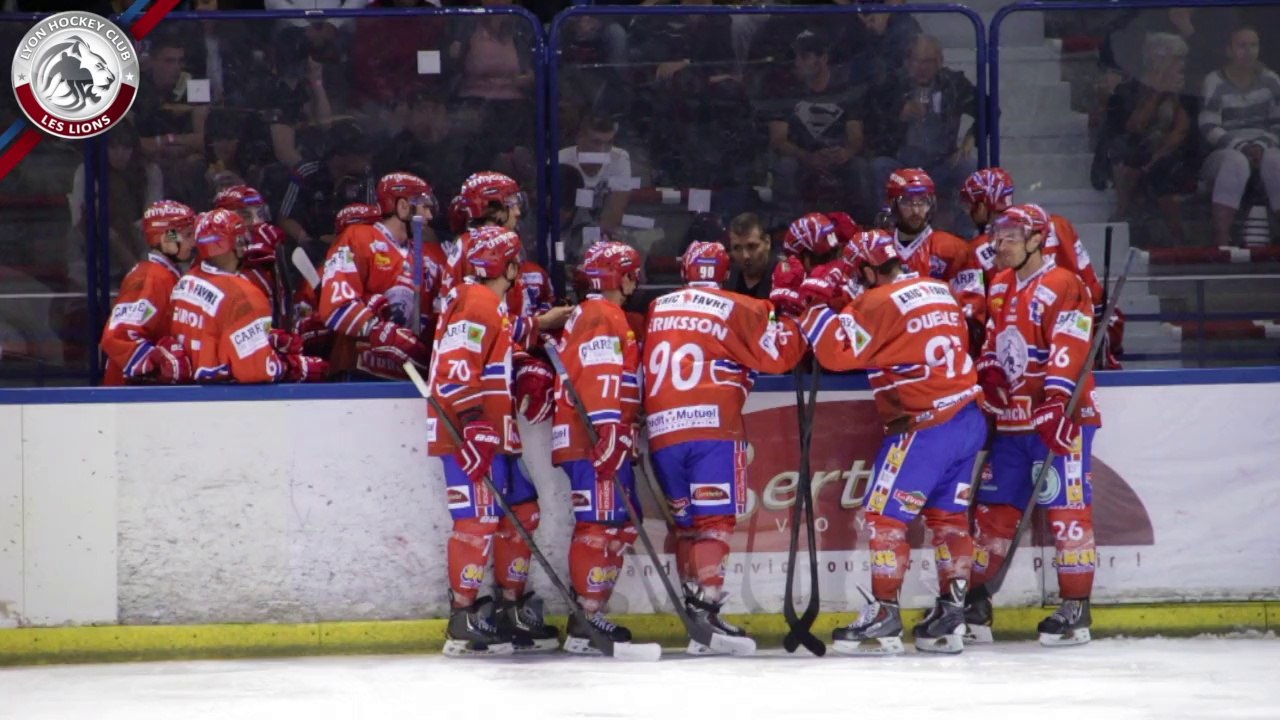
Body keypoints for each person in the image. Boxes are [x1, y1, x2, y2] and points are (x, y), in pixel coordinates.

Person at [794, 228, 986, 655]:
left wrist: (813, 310)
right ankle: (951, 615)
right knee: (949, 519)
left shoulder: (876, 301)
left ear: (866, 270)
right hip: (968, 418)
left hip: (923, 425)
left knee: (884, 519)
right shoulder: (937, 289)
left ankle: (884, 614)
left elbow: (835, 354)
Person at [643, 241, 807, 655]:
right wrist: (789, 312)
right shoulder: (738, 306)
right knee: (714, 525)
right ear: (722, 271)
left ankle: (694, 610)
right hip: (711, 430)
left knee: (688, 527)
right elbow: (780, 355)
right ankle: (708, 612)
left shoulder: (658, 308)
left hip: (663, 433)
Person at [967, 206, 1103, 648]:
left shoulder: (1066, 284)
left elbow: (1071, 346)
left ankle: (1076, 610)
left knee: (1066, 517)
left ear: (1036, 240)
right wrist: (988, 372)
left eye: (1010, 236)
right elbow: (993, 341)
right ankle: (975, 601)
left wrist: (1056, 403)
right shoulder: (1001, 283)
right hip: (1012, 426)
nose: (999, 243)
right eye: (997, 235)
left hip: (1061, 421)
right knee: (993, 518)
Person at [427, 226, 557, 657]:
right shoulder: (478, 300)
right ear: (511, 266)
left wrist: (526, 368)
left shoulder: (486, 303)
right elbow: (457, 364)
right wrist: (473, 423)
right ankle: (463, 618)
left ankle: (509, 608)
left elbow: (487, 356)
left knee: (522, 510)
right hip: (469, 431)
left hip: (494, 431)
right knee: (477, 521)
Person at [550, 241, 644, 654]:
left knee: (620, 524)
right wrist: (609, 431)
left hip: (600, 437)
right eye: (631, 274)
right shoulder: (603, 313)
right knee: (599, 526)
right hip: (593, 439)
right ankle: (586, 620)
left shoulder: (593, 313)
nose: (634, 282)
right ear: (621, 277)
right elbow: (601, 374)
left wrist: (621, 431)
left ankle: (591, 614)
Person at [959, 170, 1119, 366]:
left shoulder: (978, 248)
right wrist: (1097, 335)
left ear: (983, 205)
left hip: (1021, 343)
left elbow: (982, 315)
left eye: (971, 205)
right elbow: (1094, 290)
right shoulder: (1060, 225)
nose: (969, 212)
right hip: (1073, 335)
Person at [170, 209, 327, 384]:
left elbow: (217, 331)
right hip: (226, 401)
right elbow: (257, 371)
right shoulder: (244, 295)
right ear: (235, 243)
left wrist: (266, 335)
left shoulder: (186, 281)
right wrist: (297, 366)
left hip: (188, 396)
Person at [317, 172, 434, 380]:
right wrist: (377, 329)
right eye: (424, 206)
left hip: (407, 378)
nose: (429, 216)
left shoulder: (423, 258)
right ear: (403, 207)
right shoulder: (358, 238)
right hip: (358, 373)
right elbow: (335, 305)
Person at [100, 201, 197, 387]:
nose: (192, 242)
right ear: (165, 238)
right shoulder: (150, 278)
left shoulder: (166, 275)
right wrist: (159, 362)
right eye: (187, 235)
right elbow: (119, 335)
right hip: (131, 397)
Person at [884, 168, 985, 347]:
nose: (916, 210)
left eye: (922, 202)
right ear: (893, 204)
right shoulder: (879, 247)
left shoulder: (954, 249)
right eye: (907, 202)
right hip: (889, 348)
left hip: (940, 348)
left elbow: (971, 313)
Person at [1199, 26, 1280, 246]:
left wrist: (1261, 146)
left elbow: (1278, 125)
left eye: (1253, 45)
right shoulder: (1214, 81)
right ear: (1229, 50)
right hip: (1225, 151)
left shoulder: (1271, 80)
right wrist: (1243, 146)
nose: (1248, 51)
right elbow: (1208, 126)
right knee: (1235, 162)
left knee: (1276, 159)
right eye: (1242, 45)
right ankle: (1222, 238)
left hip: (1266, 147)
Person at [212, 185, 288, 317]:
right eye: (246, 215)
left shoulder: (266, 256)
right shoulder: (210, 257)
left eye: (260, 214)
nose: (257, 222)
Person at [725, 212, 776, 300]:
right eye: (737, 248)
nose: (745, 256)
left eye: (751, 246)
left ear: (767, 242)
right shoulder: (726, 279)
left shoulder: (783, 279)